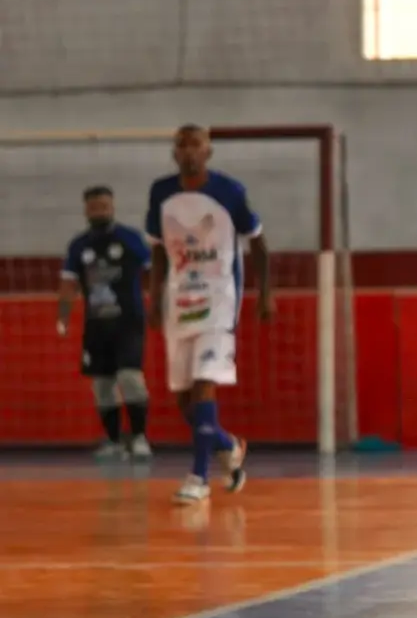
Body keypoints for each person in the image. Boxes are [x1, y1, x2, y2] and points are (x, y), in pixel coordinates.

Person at [146, 125, 273, 503]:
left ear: (208, 152)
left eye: (196, 145)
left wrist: (266, 293)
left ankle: (198, 478)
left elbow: (259, 245)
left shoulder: (229, 191)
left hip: (218, 301)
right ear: (174, 153)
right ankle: (226, 444)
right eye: (182, 145)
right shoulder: (161, 192)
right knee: (185, 400)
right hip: (178, 301)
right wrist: (154, 298)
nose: (189, 152)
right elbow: (156, 251)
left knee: (204, 383)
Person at [58, 186, 153, 459]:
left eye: (104, 206)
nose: (99, 211)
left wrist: (158, 305)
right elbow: (68, 283)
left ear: (112, 207)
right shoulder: (79, 245)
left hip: (129, 322)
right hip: (96, 326)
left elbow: (152, 272)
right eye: (94, 207)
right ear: (86, 210)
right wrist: (62, 317)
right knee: (101, 385)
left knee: (130, 377)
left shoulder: (130, 239)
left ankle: (139, 438)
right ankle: (113, 441)